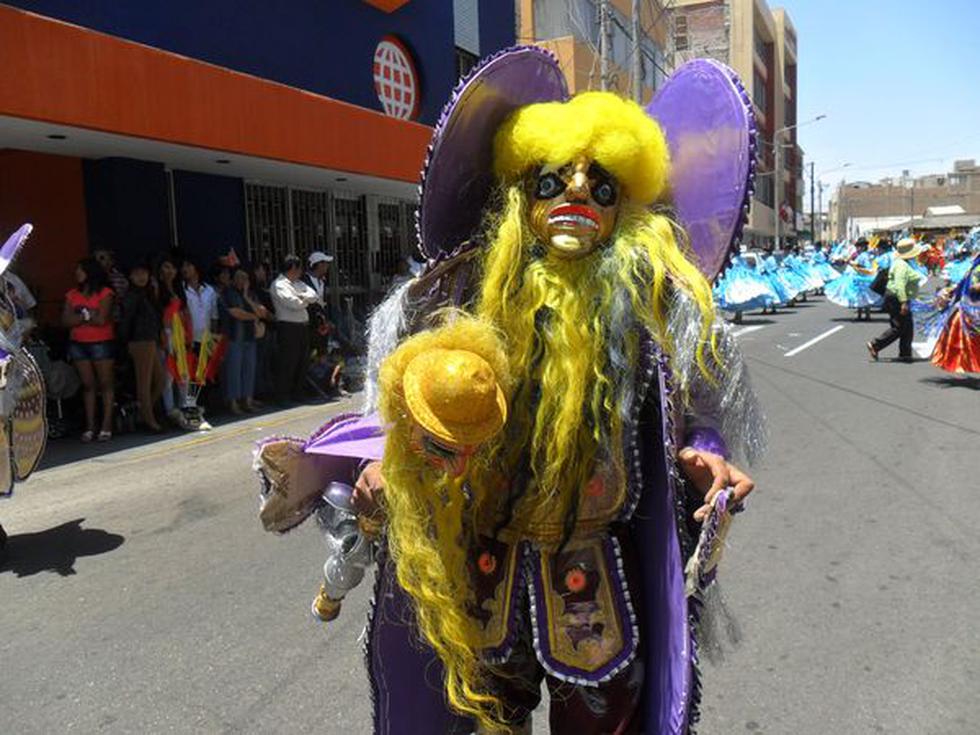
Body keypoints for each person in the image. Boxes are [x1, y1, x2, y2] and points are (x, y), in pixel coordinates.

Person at [256, 51, 763, 734]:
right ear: (521, 197)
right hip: (484, 570)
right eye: (552, 180)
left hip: (597, 581)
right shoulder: (455, 296)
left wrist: (704, 451)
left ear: (626, 207)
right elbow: (402, 406)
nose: (577, 194)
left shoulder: (659, 309)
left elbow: (697, 410)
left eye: (602, 186)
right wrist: (387, 464)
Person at [63, 257, 115, 441]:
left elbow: (102, 319)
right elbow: (65, 321)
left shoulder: (105, 292)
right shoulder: (71, 295)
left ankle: (107, 425)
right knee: (87, 385)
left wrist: (80, 317)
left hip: (101, 342)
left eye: (81, 270)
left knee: (105, 383)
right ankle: (90, 426)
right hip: (78, 343)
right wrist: (88, 316)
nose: (77, 273)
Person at [119, 261, 165, 432]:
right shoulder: (131, 296)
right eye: (137, 274)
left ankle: (142, 410)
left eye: (144, 273)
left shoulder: (147, 293)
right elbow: (126, 321)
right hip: (139, 340)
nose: (141, 277)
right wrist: (125, 342)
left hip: (150, 339)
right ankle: (149, 419)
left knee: (160, 380)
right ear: (130, 276)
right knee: (144, 384)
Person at [271, 255, 317, 405]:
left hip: (302, 326)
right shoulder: (279, 285)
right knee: (288, 362)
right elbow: (293, 303)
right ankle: (282, 396)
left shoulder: (298, 283)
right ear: (292, 268)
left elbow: (314, 295)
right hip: (288, 327)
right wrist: (304, 300)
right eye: (299, 268)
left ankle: (298, 393)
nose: (300, 272)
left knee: (302, 361)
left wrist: (301, 297)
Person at [868, 237, 922, 362]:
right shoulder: (901, 265)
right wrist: (903, 302)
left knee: (907, 327)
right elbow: (899, 284)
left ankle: (905, 353)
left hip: (900, 297)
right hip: (896, 298)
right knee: (898, 327)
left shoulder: (904, 263)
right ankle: (876, 344)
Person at [221, 267, 264, 414]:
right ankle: (233, 402)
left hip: (249, 337)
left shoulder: (250, 295)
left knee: (249, 370)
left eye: (245, 278)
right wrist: (253, 317)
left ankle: (247, 400)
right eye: (239, 277)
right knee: (234, 370)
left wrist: (246, 297)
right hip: (234, 337)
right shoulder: (228, 293)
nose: (242, 281)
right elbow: (235, 313)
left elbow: (261, 312)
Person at [250, 262, 276, 399]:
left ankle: (266, 389)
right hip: (262, 329)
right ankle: (261, 391)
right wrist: (273, 317)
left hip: (269, 329)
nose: (263, 273)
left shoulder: (263, 289)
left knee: (266, 362)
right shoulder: (254, 291)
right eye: (260, 270)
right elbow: (262, 312)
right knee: (260, 362)